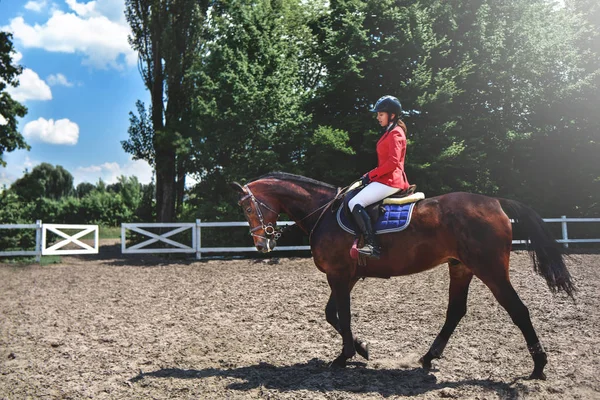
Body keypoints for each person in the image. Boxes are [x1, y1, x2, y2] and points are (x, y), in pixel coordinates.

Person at [349, 95, 410, 259]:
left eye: (380, 114)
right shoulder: (389, 132)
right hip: (384, 178)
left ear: (392, 115)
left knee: (355, 202)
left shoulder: (396, 133)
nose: (377, 117)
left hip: (391, 180)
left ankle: (372, 245)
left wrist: (371, 175)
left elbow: (393, 163)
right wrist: (368, 176)